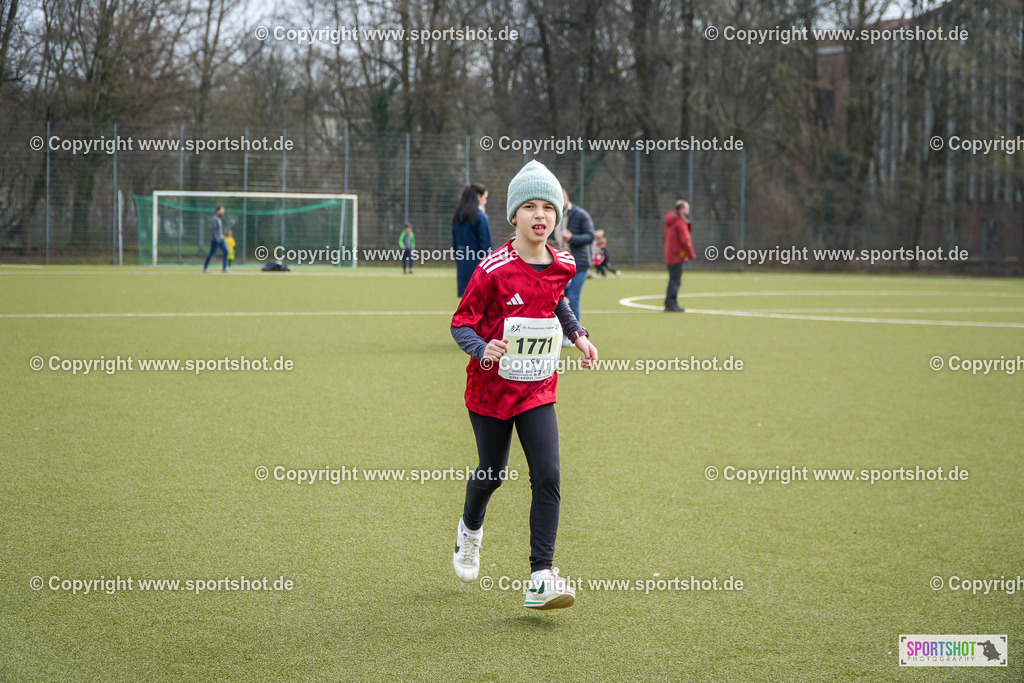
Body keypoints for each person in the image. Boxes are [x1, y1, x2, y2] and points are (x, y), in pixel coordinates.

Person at [450, 160, 598, 611]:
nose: (540, 215)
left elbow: (557, 306)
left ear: (557, 215)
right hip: (491, 392)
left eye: (547, 207)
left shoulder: (564, 263)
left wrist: (578, 336)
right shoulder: (492, 269)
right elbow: (461, 324)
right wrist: (482, 349)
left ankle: (541, 575)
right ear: (514, 215)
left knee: (548, 475)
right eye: (529, 206)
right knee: (492, 474)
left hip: (537, 388)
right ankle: (470, 531)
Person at [560, 191, 595, 328]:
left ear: (567, 198)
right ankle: (561, 332)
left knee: (573, 298)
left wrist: (572, 237)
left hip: (578, 264)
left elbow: (590, 236)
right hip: (558, 264)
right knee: (560, 300)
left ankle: (574, 333)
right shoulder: (553, 214)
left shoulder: (580, 214)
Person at [452, 183, 491, 296]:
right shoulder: (481, 217)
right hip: (479, 268)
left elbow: (455, 246)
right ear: (479, 197)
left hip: (463, 266)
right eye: (485, 198)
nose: (486, 202)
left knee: (466, 305)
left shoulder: (457, 217)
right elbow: (486, 246)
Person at [663, 200, 695, 311]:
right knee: (675, 281)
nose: (688, 210)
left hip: (670, 254)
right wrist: (691, 254)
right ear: (682, 209)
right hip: (677, 256)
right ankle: (671, 304)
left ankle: (670, 303)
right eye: (687, 208)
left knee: (673, 279)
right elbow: (685, 240)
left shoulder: (670, 220)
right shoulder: (680, 222)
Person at [203, 205, 230, 273]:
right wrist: (217, 238)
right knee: (211, 253)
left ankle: (225, 268)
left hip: (221, 239)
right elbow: (213, 230)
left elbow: (219, 230)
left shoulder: (219, 219)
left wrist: (222, 235)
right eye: (222, 210)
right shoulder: (215, 219)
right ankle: (205, 268)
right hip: (216, 240)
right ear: (218, 211)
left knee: (226, 251)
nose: (223, 212)